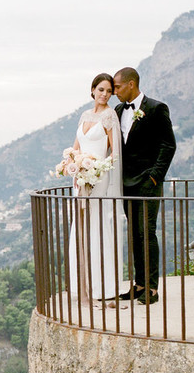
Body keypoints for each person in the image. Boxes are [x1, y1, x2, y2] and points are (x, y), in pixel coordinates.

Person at [114, 67, 176, 304]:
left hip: (147, 183)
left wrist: (154, 178)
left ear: (131, 84)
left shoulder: (156, 108)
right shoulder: (118, 110)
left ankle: (152, 289)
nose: (115, 92)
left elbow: (168, 146)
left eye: (117, 87)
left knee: (146, 233)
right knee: (133, 235)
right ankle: (139, 284)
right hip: (126, 183)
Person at [68, 73, 123, 303]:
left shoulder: (110, 116)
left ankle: (102, 286)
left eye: (109, 91)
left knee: (97, 225)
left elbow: (115, 152)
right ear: (92, 90)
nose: (105, 95)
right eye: (101, 90)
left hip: (99, 178)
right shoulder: (85, 115)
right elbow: (76, 147)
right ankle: (82, 284)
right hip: (80, 178)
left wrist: (99, 170)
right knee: (80, 228)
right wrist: (71, 164)